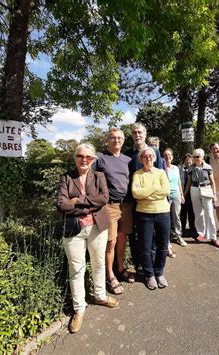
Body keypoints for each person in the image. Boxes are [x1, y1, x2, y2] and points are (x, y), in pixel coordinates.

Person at [56, 143, 119, 334]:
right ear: (75, 157)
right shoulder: (66, 177)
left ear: (93, 160)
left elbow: (104, 198)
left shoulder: (99, 176)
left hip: (97, 227)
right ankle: (79, 308)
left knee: (99, 263)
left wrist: (77, 201)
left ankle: (99, 295)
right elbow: (61, 205)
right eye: (80, 156)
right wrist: (88, 204)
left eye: (88, 157)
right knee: (76, 268)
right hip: (74, 229)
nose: (84, 160)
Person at [94, 128, 134, 295]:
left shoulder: (128, 159)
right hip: (108, 206)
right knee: (110, 242)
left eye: (119, 138)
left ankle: (120, 268)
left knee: (122, 238)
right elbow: (90, 178)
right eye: (113, 138)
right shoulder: (100, 157)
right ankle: (109, 275)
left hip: (126, 205)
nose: (116, 140)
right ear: (107, 140)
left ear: (123, 140)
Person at [124, 123, 163, 273]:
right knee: (134, 233)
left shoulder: (155, 152)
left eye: (140, 132)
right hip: (134, 202)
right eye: (134, 133)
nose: (137, 135)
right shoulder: (127, 155)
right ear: (132, 135)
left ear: (145, 134)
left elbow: (159, 175)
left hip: (152, 202)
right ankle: (138, 263)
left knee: (152, 233)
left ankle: (151, 263)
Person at [132, 147, 171, 290]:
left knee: (162, 246)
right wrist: (155, 188)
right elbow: (136, 193)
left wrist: (146, 194)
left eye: (150, 156)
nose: (148, 158)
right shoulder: (137, 174)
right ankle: (150, 275)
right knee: (145, 247)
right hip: (144, 214)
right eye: (145, 156)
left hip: (163, 213)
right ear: (141, 159)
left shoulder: (161, 172)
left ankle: (159, 272)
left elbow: (166, 190)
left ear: (155, 158)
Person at [184, 148, 219, 248]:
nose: (195, 159)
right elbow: (188, 182)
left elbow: (212, 182)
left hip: (206, 188)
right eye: (194, 156)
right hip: (194, 189)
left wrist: (214, 194)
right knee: (198, 213)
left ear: (203, 157)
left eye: (197, 157)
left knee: (209, 213)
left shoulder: (208, 167)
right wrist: (184, 194)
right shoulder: (190, 168)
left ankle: (213, 237)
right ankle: (201, 233)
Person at [163, 148, 187, 248]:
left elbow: (179, 183)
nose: (168, 157)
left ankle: (179, 236)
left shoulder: (176, 168)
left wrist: (182, 195)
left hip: (176, 195)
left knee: (177, 217)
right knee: (166, 218)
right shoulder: (162, 169)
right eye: (165, 155)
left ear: (172, 156)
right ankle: (166, 240)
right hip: (166, 196)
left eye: (169, 155)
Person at [179, 153, 196, 237]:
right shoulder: (179, 168)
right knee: (182, 211)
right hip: (181, 193)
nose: (188, 162)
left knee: (191, 212)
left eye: (190, 160)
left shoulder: (194, 169)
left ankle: (192, 228)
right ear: (184, 160)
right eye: (187, 160)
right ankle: (182, 228)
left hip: (191, 193)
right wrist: (182, 193)